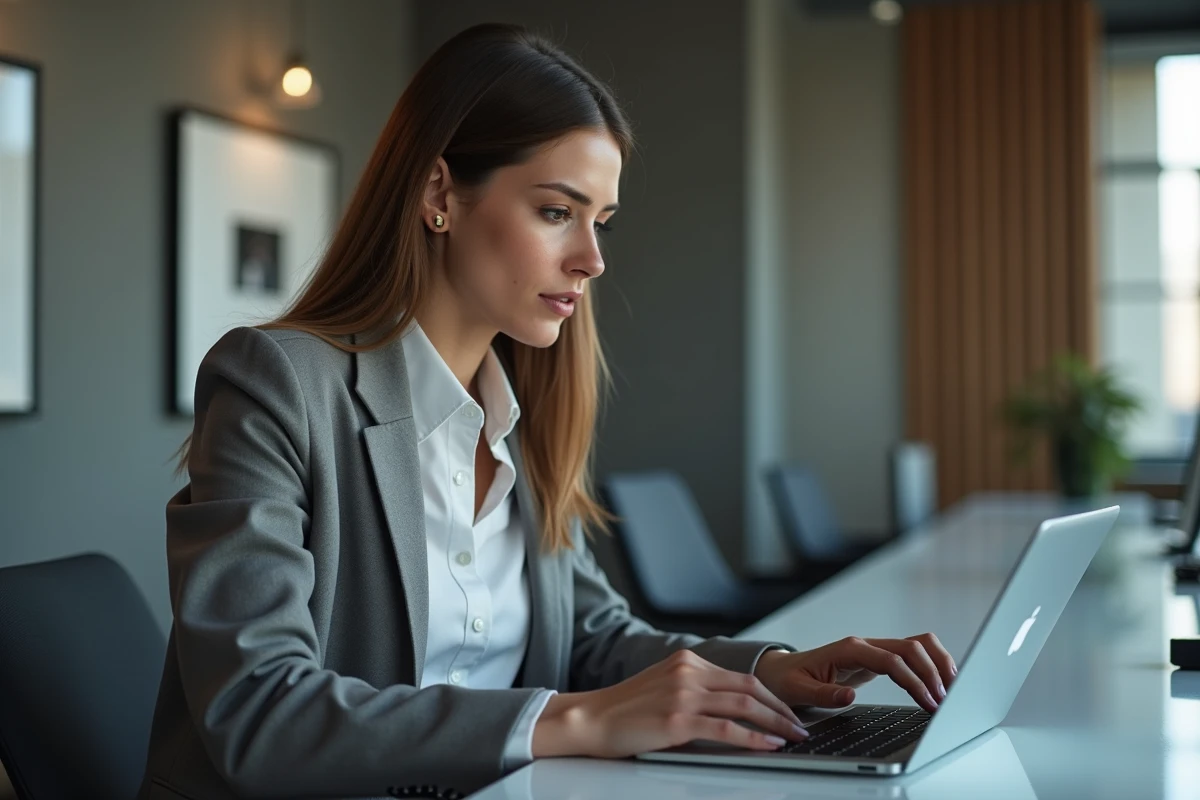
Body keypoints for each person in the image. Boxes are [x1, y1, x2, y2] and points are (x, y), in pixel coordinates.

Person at [138, 23, 956, 800]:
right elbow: (256, 711)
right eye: (557, 212)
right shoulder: (278, 384)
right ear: (439, 194)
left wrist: (769, 670)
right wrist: (577, 719)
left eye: (599, 222)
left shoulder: (524, 414)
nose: (592, 259)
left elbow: (591, 640)